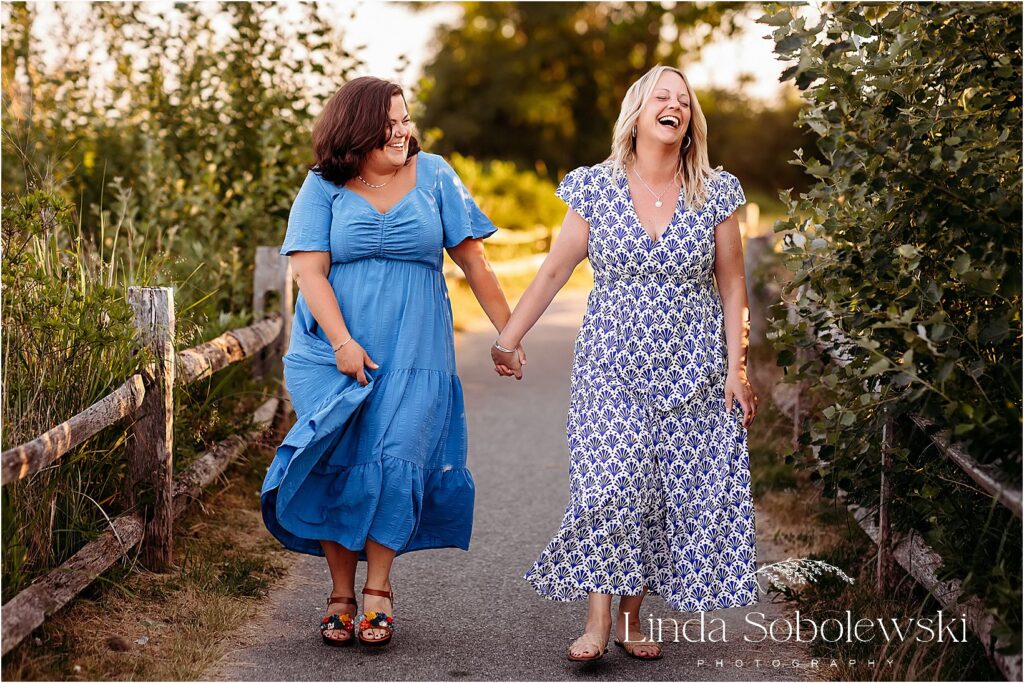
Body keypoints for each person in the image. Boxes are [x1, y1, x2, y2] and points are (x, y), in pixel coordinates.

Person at [491, 64, 760, 662]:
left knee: (660, 494)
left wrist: (736, 369)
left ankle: (632, 620)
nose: (675, 106)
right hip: (610, 367)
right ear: (636, 113)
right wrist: (508, 336)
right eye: (661, 97)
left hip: (692, 368)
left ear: (691, 123)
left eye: (684, 101)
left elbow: (735, 286)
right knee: (610, 485)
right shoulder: (593, 186)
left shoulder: (715, 192)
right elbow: (555, 270)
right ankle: (596, 616)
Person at [261, 76, 524, 648]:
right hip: (331, 352)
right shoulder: (323, 185)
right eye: (390, 122)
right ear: (356, 129)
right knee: (337, 461)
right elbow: (309, 272)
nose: (404, 131)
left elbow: (475, 264)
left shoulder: (435, 176)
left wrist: (510, 331)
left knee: (398, 457)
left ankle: (378, 588)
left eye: (406, 118)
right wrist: (341, 343)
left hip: (415, 354)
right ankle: (339, 592)